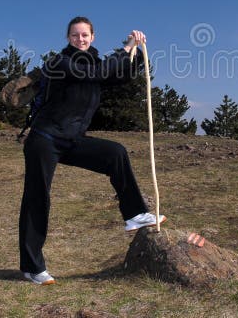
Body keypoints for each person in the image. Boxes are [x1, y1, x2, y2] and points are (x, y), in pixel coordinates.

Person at [19, 16, 166, 285]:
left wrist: (135, 52)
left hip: (72, 139)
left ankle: (134, 214)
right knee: (37, 199)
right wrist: (122, 51)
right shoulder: (60, 62)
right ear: (68, 38)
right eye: (75, 35)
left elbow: (118, 78)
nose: (80, 39)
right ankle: (32, 267)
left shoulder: (95, 64)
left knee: (115, 153)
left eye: (85, 35)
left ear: (93, 37)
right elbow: (96, 74)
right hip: (45, 138)